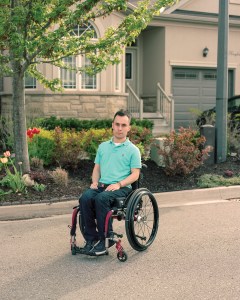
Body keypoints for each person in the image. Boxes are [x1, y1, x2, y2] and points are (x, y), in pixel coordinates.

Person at [79, 109, 141, 256]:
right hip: (102, 186)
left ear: (128, 128)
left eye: (123, 125)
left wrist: (119, 184)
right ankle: (91, 239)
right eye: (117, 124)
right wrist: (94, 182)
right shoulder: (103, 147)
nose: (120, 128)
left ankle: (106, 238)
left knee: (101, 199)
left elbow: (135, 174)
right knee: (85, 198)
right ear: (112, 125)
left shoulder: (133, 150)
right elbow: (97, 168)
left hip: (122, 188)